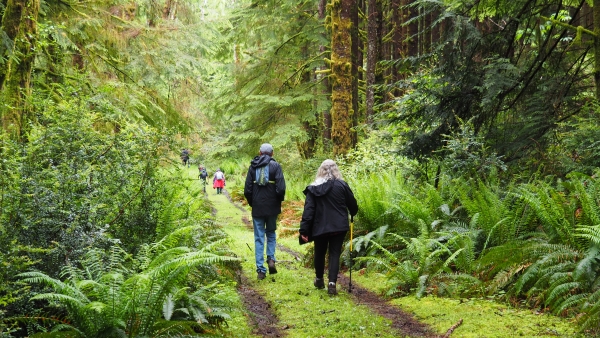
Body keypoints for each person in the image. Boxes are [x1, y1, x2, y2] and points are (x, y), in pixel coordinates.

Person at [299, 159, 358, 295]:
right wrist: (352, 212)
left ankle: (319, 279)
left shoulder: (313, 188)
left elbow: (308, 211)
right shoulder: (342, 185)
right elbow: (353, 206)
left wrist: (304, 230)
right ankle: (332, 283)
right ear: (336, 170)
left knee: (319, 252)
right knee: (334, 253)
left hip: (319, 226)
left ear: (321, 170)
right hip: (339, 226)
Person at [244, 143, 286, 280]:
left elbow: (247, 190)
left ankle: (261, 270)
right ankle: (271, 259)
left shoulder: (253, 166)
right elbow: (281, 189)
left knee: (259, 237)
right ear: (272, 154)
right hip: (272, 207)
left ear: (260, 152)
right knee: (271, 233)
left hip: (258, 208)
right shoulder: (276, 166)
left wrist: (253, 203)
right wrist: (278, 202)